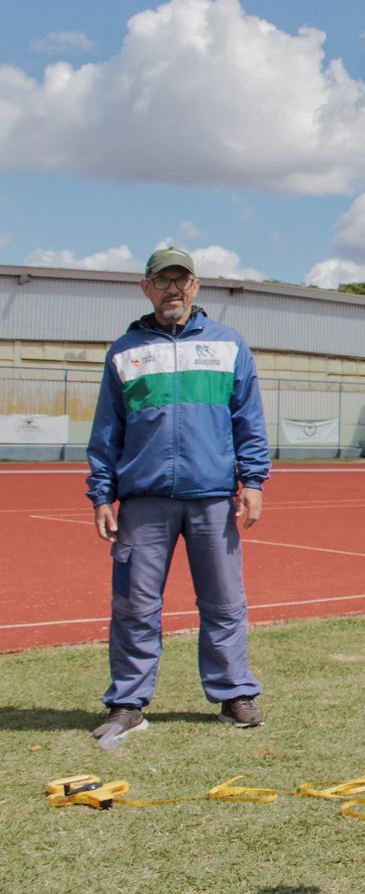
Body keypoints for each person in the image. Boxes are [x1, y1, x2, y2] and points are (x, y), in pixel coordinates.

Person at [85, 247, 271, 740]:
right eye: (162, 281)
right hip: (144, 501)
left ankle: (235, 696)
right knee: (134, 604)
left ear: (195, 286)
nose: (173, 290)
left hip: (212, 497)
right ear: (145, 287)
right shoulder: (125, 350)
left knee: (225, 602)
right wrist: (102, 493)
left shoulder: (229, 345)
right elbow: (107, 429)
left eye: (181, 281)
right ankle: (128, 703)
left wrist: (253, 481)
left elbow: (248, 421)